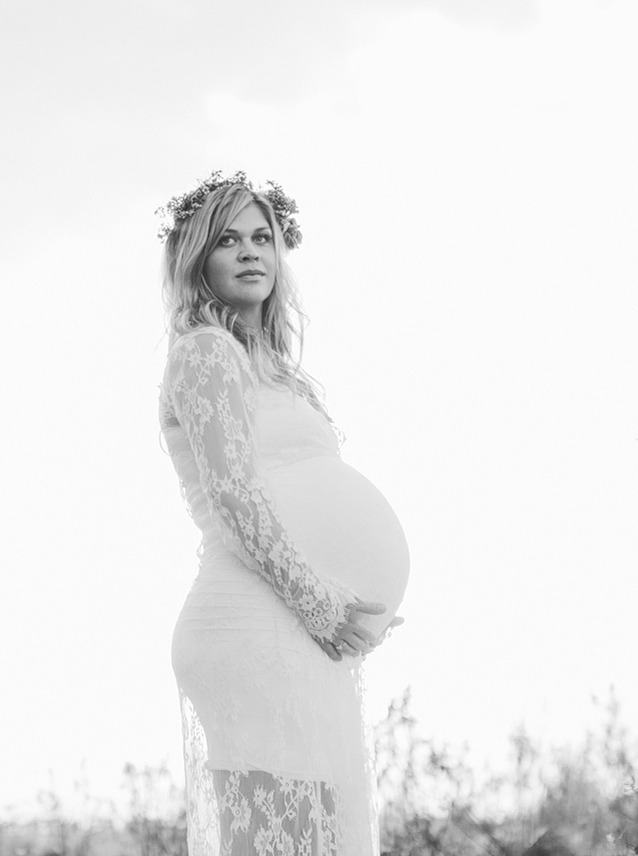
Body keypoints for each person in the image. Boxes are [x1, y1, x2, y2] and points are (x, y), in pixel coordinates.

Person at [158, 170, 410, 856]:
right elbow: (235, 498)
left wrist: (364, 598)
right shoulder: (206, 353)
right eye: (227, 240)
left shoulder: (269, 365)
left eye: (262, 237)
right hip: (252, 622)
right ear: (197, 261)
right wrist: (323, 602)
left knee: (317, 838)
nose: (249, 252)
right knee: (283, 841)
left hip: (294, 622)